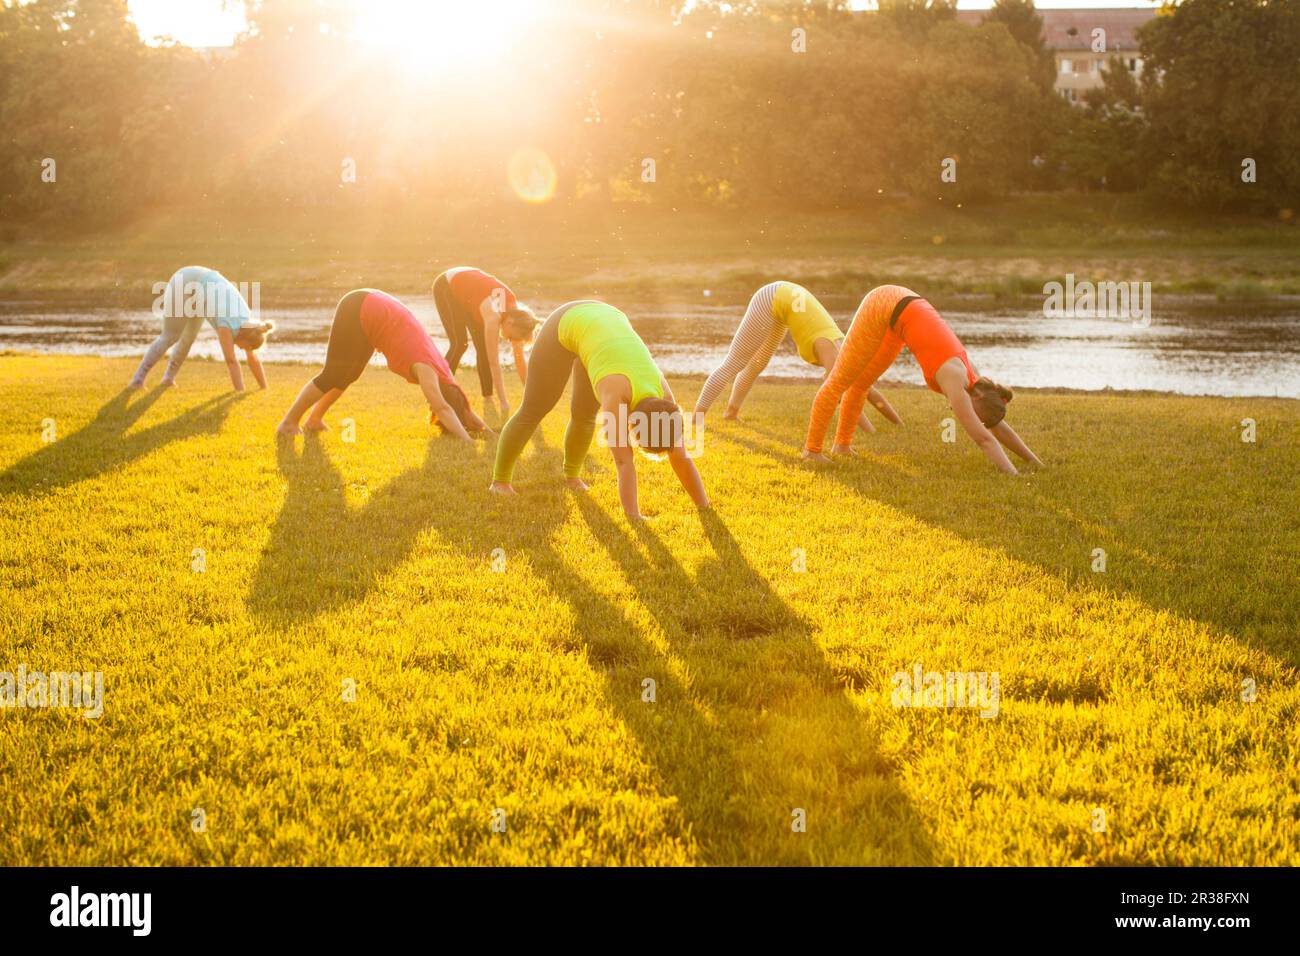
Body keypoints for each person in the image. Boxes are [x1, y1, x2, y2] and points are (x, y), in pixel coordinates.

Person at [489, 300, 709, 521]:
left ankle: (572, 478)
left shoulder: (665, 400)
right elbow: (624, 462)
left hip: (604, 322)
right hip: (564, 323)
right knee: (533, 409)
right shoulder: (615, 393)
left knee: (584, 414)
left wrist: (704, 507)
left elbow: (681, 456)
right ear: (632, 424)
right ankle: (499, 483)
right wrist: (634, 517)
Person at [804, 285, 1041, 475]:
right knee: (839, 381)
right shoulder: (956, 380)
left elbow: (995, 426)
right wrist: (1014, 474)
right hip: (884, 302)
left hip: (902, 314)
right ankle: (811, 451)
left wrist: (1033, 461)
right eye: (976, 414)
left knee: (861, 383)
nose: (971, 418)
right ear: (978, 397)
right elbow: (984, 439)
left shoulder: (977, 382)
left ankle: (841, 447)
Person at [276, 288, 489, 440]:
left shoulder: (445, 375)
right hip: (361, 306)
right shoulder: (428, 370)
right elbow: (443, 408)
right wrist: (467, 442)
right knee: (334, 372)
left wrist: (489, 433)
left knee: (349, 374)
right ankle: (288, 423)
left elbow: (460, 406)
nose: (432, 405)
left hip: (376, 311)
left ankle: (314, 420)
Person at [693, 280, 900, 431]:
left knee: (757, 364)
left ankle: (731, 413)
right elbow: (840, 396)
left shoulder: (847, 350)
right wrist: (869, 431)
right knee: (736, 362)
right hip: (770, 298)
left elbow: (866, 389)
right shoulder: (832, 349)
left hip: (787, 303)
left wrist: (898, 424)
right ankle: (696, 419)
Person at [129, 266, 273, 391]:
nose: (242, 349)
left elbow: (252, 358)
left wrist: (264, 388)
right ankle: (137, 380)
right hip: (185, 282)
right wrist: (240, 393)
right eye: (245, 348)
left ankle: (168, 379)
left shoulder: (249, 326)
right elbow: (231, 361)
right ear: (245, 338)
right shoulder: (227, 325)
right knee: (171, 336)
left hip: (202, 290)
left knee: (188, 338)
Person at [432, 266, 537, 418]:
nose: (511, 341)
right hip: (448, 284)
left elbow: (519, 358)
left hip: (470, 293)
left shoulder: (517, 315)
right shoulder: (493, 317)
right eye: (513, 337)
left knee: (482, 348)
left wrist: (531, 397)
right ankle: (439, 390)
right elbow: (493, 362)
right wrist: (503, 402)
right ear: (511, 323)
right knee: (460, 343)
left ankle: (487, 397)